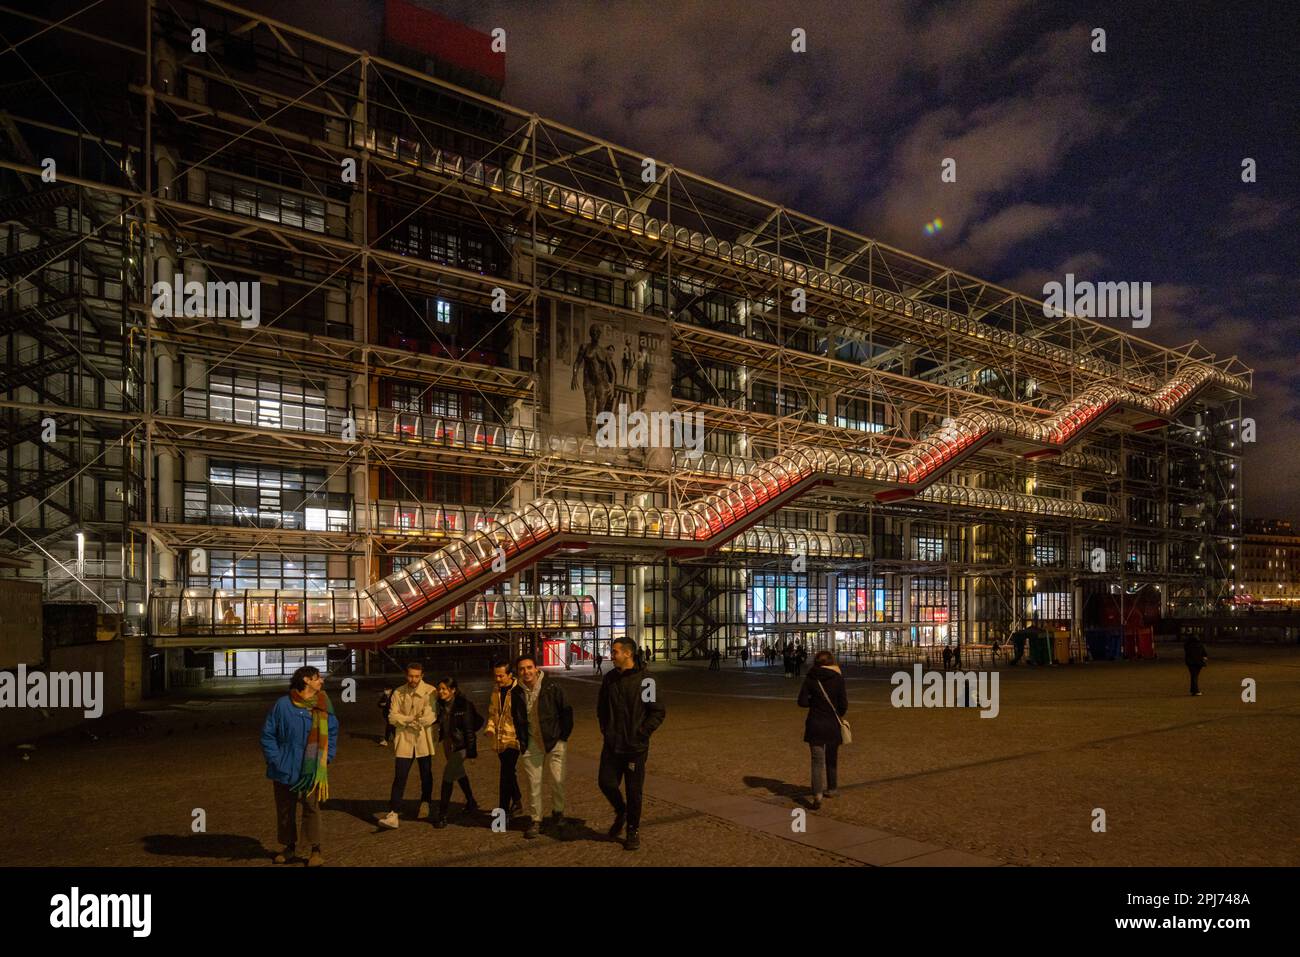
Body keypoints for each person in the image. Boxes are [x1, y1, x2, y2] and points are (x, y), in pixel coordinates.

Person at [260, 665, 338, 867]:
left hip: (312, 769)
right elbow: (268, 735)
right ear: (306, 680)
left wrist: (326, 757)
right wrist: (276, 759)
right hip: (285, 766)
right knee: (285, 809)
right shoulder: (283, 705)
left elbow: (333, 731)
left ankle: (315, 849)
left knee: (312, 808)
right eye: (317, 678)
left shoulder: (323, 704)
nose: (321, 681)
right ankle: (289, 847)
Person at [597, 637, 666, 851]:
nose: (611, 655)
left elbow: (656, 711)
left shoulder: (646, 680)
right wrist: (606, 730)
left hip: (635, 747)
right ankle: (621, 810)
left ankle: (632, 830)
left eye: (615, 651)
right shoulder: (610, 679)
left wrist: (642, 733)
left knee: (634, 791)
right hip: (612, 744)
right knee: (606, 782)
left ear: (628, 653)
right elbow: (601, 708)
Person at [516, 654, 574, 839]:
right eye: (522, 669)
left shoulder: (551, 686)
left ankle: (558, 812)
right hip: (531, 742)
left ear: (536, 668)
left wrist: (562, 737)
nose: (526, 672)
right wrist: (522, 741)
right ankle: (536, 820)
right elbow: (517, 718)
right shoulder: (516, 692)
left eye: (529, 667)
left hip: (554, 740)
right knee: (534, 783)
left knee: (558, 780)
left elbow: (566, 712)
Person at [377, 663, 437, 829]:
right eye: (411, 676)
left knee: (426, 774)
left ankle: (426, 801)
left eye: (417, 676)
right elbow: (391, 717)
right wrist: (412, 719)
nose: (413, 679)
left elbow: (430, 716)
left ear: (422, 675)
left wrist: (403, 719)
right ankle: (393, 812)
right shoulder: (398, 692)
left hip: (423, 739)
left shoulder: (430, 691)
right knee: (400, 776)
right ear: (406, 675)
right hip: (404, 740)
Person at [797, 650, 848, 810]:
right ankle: (832, 788)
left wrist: (815, 702)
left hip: (815, 723)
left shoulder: (810, 678)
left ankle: (817, 795)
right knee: (831, 757)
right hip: (832, 724)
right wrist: (836, 712)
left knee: (817, 762)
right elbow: (843, 704)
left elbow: (802, 701)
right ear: (831, 661)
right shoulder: (838, 678)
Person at [432, 677, 483, 827]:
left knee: (447, 776)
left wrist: (472, 752)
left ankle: (442, 814)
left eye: (444, 689)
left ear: (453, 690)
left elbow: (469, 731)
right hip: (448, 744)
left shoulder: (463, 705)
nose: (441, 692)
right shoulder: (440, 704)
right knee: (459, 773)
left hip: (462, 746)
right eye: (439, 689)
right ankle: (471, 801)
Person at [484, 659, 529, 825]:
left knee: (505, 775)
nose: (497, 679)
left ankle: (502, 814)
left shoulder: (519, 691)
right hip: (499, 739)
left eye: (501, 676)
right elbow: (492, 712)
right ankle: (517, 801)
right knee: (510, 773)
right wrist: (490, 727)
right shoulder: (496, 691)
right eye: (495, 676)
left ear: (510, 675)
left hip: (514, 739)